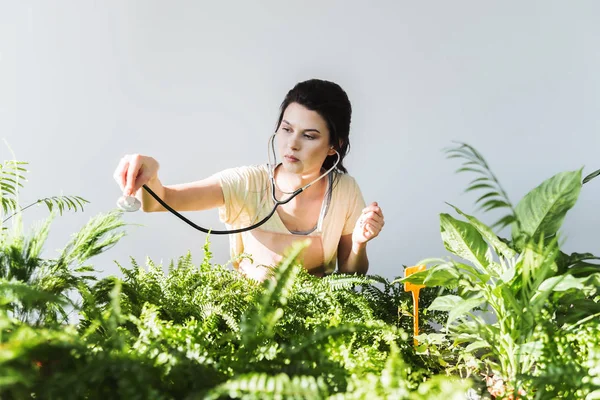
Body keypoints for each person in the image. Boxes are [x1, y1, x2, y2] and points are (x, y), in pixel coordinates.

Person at [113, 79, 384, 281]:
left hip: (315, 330)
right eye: (287, 129)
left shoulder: (345, 191)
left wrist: (360, 243)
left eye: (309, 136)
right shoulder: (246, 183)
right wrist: (149, 172)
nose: (292, 144)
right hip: (247, 326)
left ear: (333, 146)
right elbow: (162, 201)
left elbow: (351, 274)